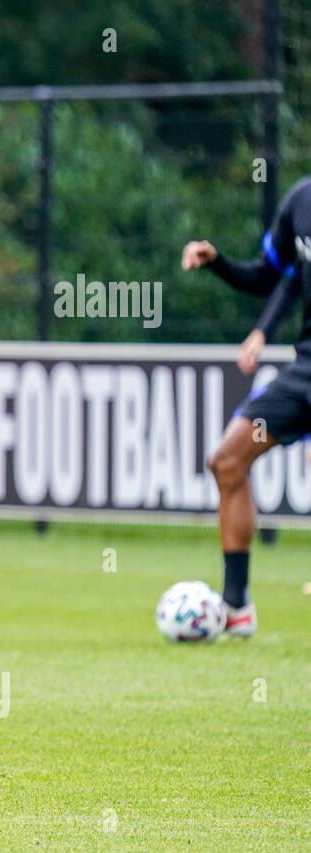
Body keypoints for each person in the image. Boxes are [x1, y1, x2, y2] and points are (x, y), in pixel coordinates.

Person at [182, 175, 311, 636]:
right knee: (227, 460)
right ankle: (236, 605)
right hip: (304, 373)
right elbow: (268, 277)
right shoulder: (301, 201)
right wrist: (217, 262)